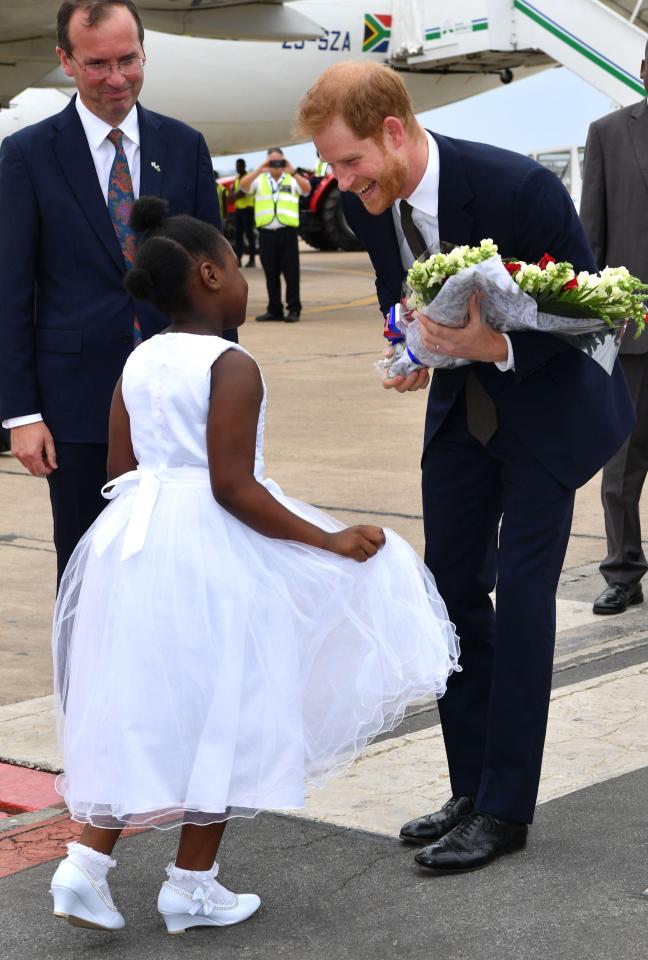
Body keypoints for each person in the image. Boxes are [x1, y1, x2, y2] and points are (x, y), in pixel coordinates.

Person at [48, 196, 459, 933]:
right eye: (236, 268)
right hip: (210, 548)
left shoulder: (139, 359)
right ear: (209, 275)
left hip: (133, 542)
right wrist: (326, 540)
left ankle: (85, 866)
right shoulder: (230, 362)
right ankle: (191, 882)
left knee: (139, 701)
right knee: (224, 705)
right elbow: (232, 486)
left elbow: (120, 464)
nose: (243, 280)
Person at [296, 61, 635, 873]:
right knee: (449, 594)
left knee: (521, 602)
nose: (340, 183)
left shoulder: (516, 189)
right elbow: (400, 299)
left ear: (393, 131)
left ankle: (507, 810)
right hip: (461, 418)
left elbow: (596, 317)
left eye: (348, 162)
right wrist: (410, 351)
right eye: (331, 168)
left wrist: (499, 344)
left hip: (547, 414)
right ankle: (469, 785)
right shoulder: (368, 204)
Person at [0, 0, 235, 589]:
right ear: (66, 61)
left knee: (181, 569)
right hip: (77, 406)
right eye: (98, 63)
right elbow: (10, 289)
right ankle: (87, 684)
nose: (116, 78)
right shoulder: (27, 155)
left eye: (129, 60)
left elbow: (217, 282)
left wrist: (226, 392)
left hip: (182, 402)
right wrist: (22, 414)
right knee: (87, 571)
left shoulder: (184, 146)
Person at [580, 45, 648, 617]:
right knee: (622, 465)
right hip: (632, 332)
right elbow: (591, 239)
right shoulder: (608, 134)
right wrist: (593, 327)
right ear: (644, 71)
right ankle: (623, 573)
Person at [238, 147, 310, 322]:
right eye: (272, 162)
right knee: (271, 273)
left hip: (288, 233)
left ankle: (294, 309)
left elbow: (306, 190)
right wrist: (259, 169)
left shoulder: (291, 179)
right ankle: (274, 309)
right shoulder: (260, 179)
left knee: (291, 273)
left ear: (285, 161)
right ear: (267, 162)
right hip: (267, 234)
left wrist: (292, 171)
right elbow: (243, 186)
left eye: (279, 162)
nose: (276, 165)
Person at [230, 157, 257, 267]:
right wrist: (235, 195)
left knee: (250, 235)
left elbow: (241, 194)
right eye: (237, 166)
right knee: (238, 236)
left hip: (248, 209)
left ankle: (252, 260)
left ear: (244, 166)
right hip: (239, 210)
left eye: (240, 165)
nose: (238, 168)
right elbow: (231, 196)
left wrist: (235, 195)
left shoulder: (248, 178)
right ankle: (239, 259)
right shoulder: (237, 180)